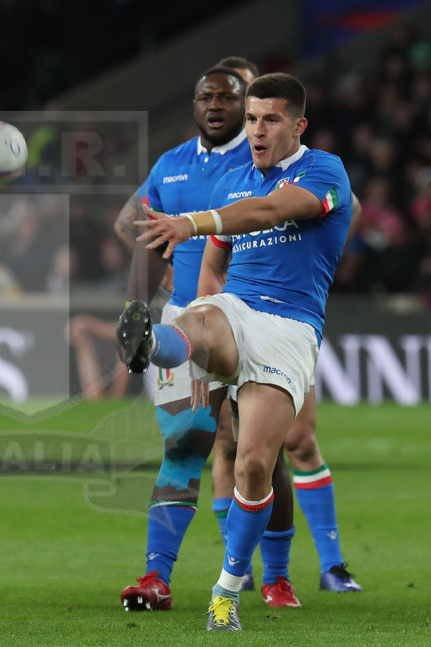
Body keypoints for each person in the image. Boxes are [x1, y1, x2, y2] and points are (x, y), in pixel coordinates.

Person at [118, 72, 353, 631]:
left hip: (290, 326)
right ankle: (157, 344)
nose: (257, 130)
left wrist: (191, 222)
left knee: (254, 466)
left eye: (270, 119)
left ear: (297, 125)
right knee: (198, 319)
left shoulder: (325, 171)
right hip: (235, 308)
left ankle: (227, 589)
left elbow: (270, 212)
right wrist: (200, 351)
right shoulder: (230, 181)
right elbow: (211, 271)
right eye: (252, 119)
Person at [116, 65, 257, 612]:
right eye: (205, 97)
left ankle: (274, 575)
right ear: (194, 104)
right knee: (184, 443)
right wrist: (137, 312)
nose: (215, 105)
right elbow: (141, 236)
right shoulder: (170, 166)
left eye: (227, 97)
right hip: (185, 319)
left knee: (257, 454)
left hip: (256, 317)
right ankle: (157, 576)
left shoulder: (264, 161)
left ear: (245, 104)